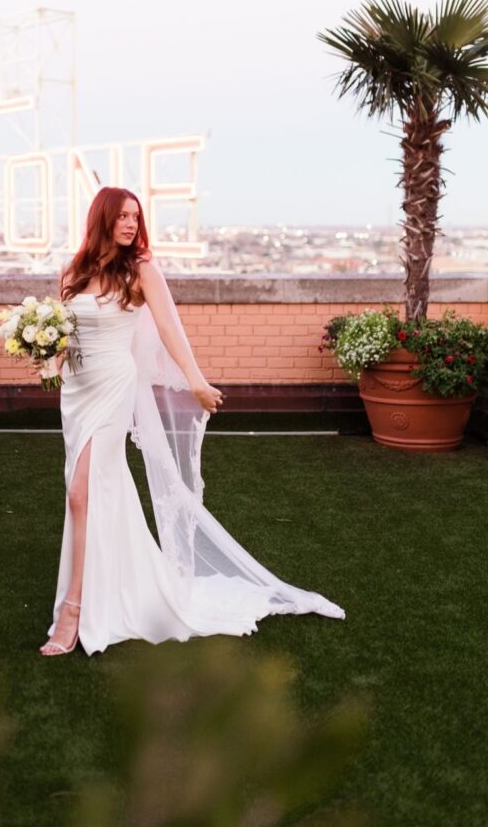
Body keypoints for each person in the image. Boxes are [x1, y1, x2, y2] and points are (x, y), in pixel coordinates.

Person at [39, 187, 344, 656]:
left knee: (81, 492)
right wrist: (45, 360)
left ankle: (74, 610)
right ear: (101, 218)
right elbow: (61, 333)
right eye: (121, 216)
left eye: (135, 218)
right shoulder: (73, 272)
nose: (130, 225)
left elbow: (169, 329)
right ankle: (113, 583)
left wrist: (197, 381)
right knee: (91, 491)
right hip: (77, 392)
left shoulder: (141, 271)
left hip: (115, 386)